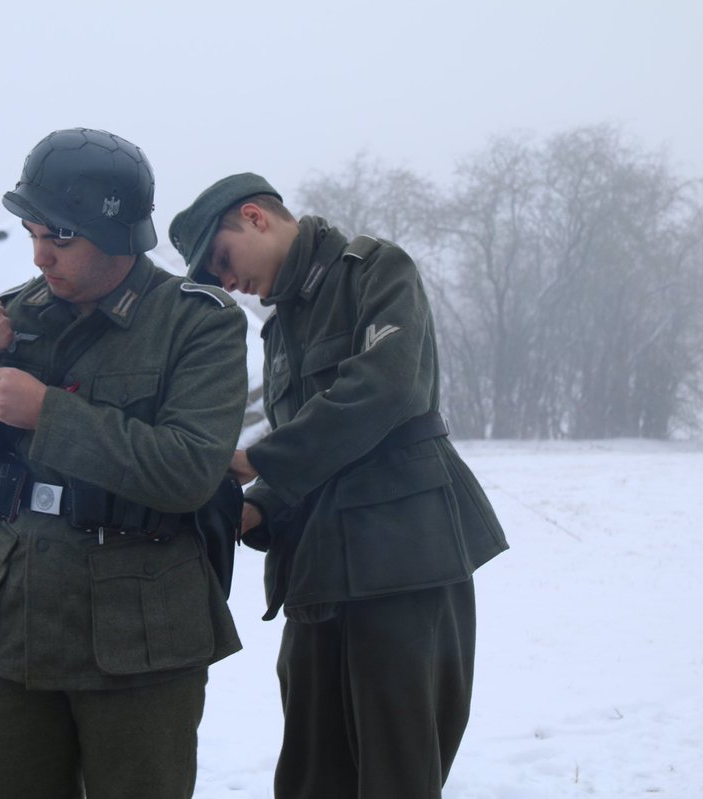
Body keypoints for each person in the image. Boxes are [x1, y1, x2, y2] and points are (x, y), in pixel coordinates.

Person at [0, 129, 249, 799]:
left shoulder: (198, 324)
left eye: (60, 238)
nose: (40, 255)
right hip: (17, 621)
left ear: (118, 233)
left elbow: (188, 469)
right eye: (33, 234)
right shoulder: (12, 317)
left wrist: (50, 414)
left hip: (141, 631)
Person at [169, 173, 510, 798]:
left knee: (397, 773)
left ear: (255, 217)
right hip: (319, 571)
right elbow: (310, 449)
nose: (226, 281)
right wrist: (257, 508)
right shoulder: (277, 331)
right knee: (309, 777)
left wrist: (259, 461)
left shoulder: (375, 271)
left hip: (403, 557)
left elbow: (389, 389)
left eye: (222, 258)